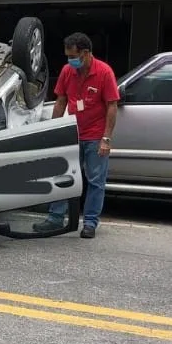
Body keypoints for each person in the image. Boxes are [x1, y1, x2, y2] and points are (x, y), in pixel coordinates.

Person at [34, 32, 119, 239]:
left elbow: (112, 106)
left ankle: (90, 222)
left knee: (95, 180)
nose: (69, 60)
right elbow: (61, 101)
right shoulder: (67, 71)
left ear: (86, 53)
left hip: (95, 136)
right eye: (68, 56)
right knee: (64, 175)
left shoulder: (104, 72)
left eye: (73, 56)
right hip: (72, 133)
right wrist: (55, 130)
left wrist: (106, 138)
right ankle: (55, 218)